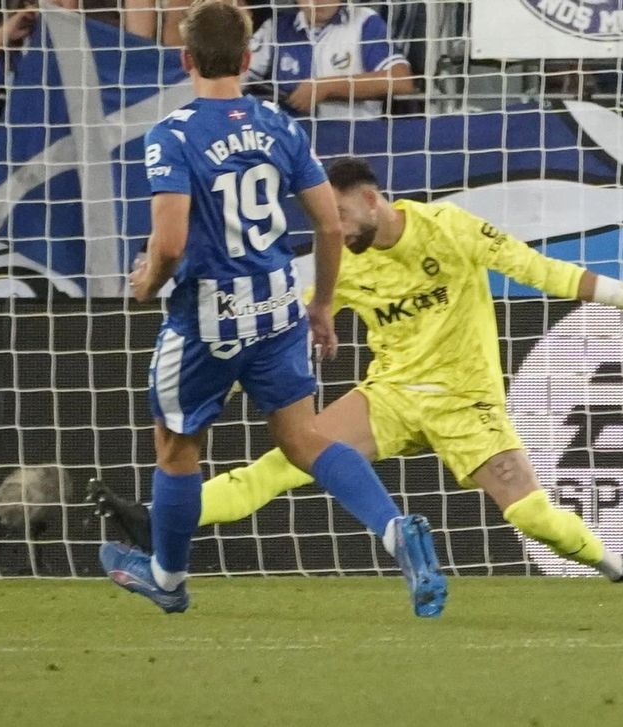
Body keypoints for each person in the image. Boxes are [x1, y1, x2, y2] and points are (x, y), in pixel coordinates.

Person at [92, 155, 623, 584]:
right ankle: (160, 521)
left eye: (339, 214)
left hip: (466, 402)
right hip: (390, 396)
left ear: (371, 199)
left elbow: (542, 271)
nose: (334, 229)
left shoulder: (450, 228)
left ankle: (617, 567)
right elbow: (290, 307)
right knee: (288, 458)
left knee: (528, 513)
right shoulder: (343, 261)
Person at [99, 0, 447, 617]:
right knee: (304, 438)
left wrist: (147, 281)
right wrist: (322, 305)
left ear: (185, 59)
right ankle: (396, 530)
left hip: (207, 320)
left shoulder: (172, 136)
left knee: (177, 447)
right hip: (279, 308)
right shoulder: (280, 126)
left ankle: (168, 579)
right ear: (246, 57)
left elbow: (170, 244)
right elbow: (329, 226)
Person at [245, 0, 412, 119]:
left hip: (356, 136)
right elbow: (238, 75)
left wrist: (327, 87)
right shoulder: (276, 28)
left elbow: (401, 81)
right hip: (292, 138)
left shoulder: (364, 21)